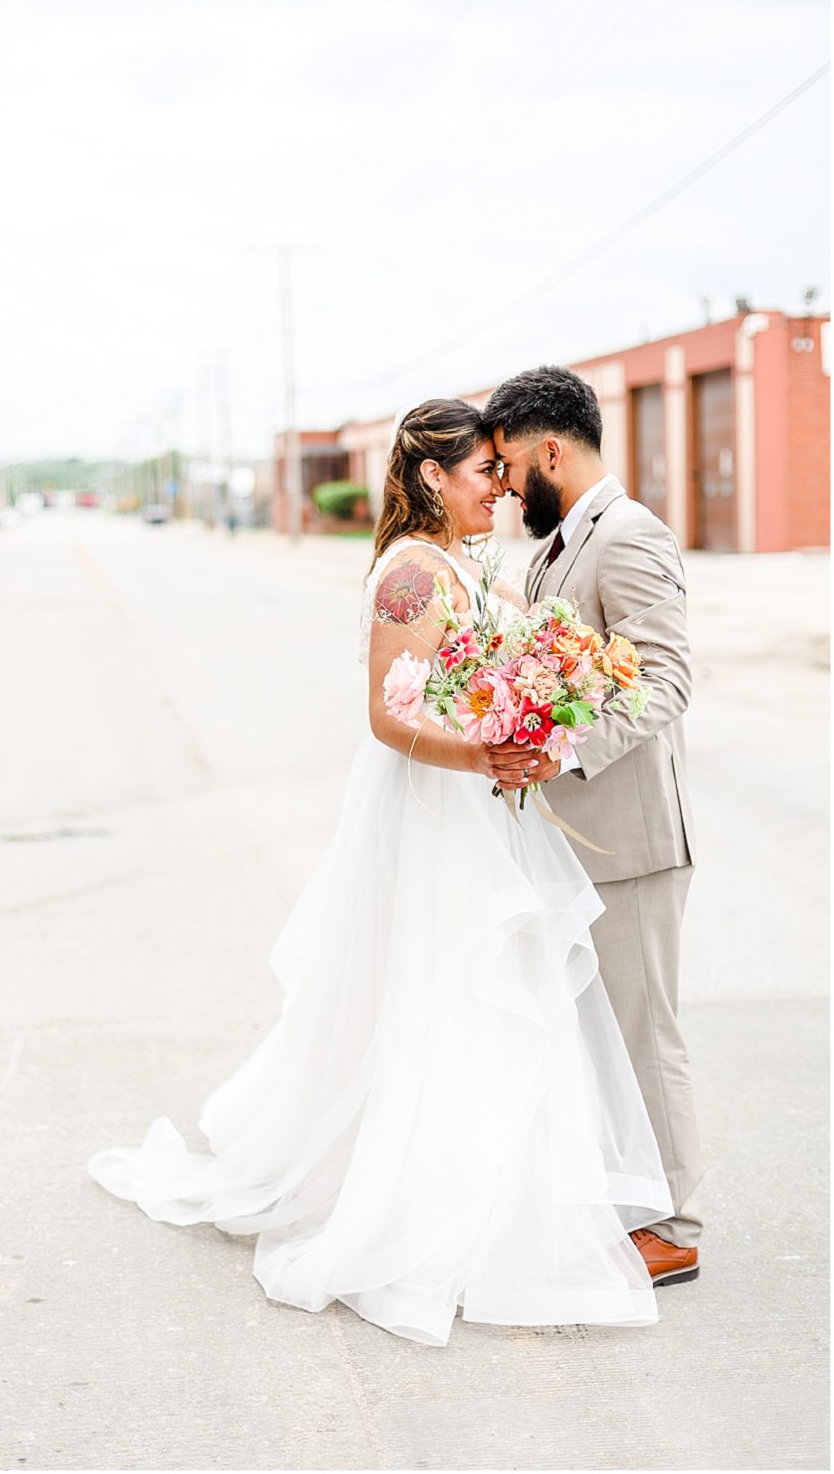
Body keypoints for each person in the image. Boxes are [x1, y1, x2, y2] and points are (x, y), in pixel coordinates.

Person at [87, 397, 673, 1346]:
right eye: (486, 470)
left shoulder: (464, 565)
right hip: (442, 819)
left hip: (483, 816)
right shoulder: (411, 574)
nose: (504, 486)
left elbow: (498, 674)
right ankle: (426, 1207)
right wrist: (485, 756)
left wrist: (538, 714)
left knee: (497, 1000)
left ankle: (492, 1194)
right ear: (435, 476)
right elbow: (388, 718)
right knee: (448, 996)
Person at [487, 365, 703, 1287]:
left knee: (643, 1030)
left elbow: (664, 681)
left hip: (630, 836)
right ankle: (620, 1197)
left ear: (549, 450)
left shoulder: (630, 537)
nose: (499, 486)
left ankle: (676, 1224)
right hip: (567, 841)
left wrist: (563, 754)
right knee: (592, 1034)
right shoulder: (548, 549)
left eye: (504, 467)